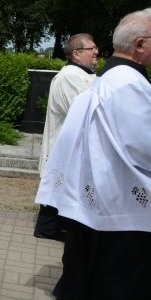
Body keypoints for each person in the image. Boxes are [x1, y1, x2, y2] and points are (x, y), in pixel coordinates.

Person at [36, 5, 151, 300]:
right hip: (125, 211)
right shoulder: (127, 85)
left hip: (106, 198)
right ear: (140, 45)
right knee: (122, 287)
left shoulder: (109, 78)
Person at [34, 33, 98, 242]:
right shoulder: (71, 75)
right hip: (66, 141)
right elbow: (82, 110)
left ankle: (55, 224)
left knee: (62, 183)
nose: (97, 52)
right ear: (77, 54)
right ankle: (47, 227)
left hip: (76, 142)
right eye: (92, 49)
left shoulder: (85, 74)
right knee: (60, 181)